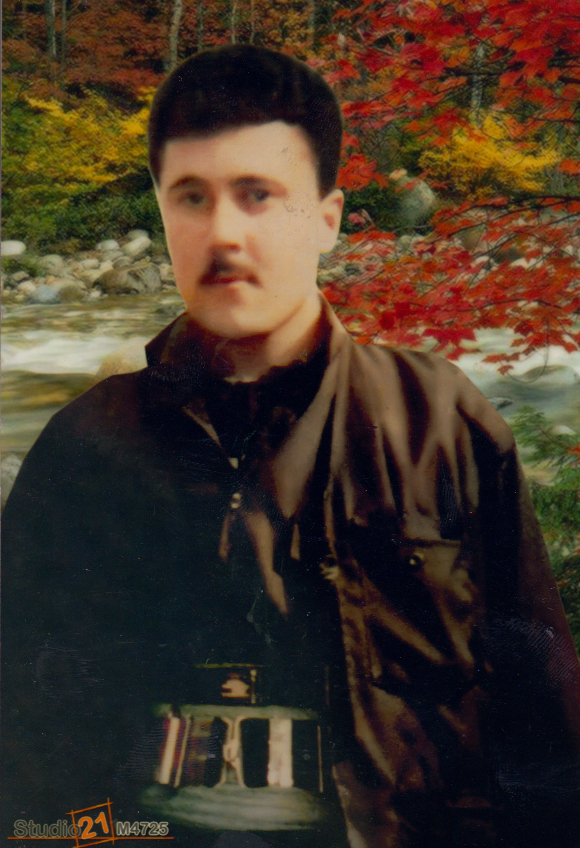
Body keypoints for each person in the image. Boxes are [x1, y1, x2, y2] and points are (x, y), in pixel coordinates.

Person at [3, 44, 580, 848]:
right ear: (163, 214)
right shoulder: (88, 446)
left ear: (328, 219)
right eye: (192, 197)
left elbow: (543, 725)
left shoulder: (441, 422)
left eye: (258, 195)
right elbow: (24, 746)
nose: (223, 234)